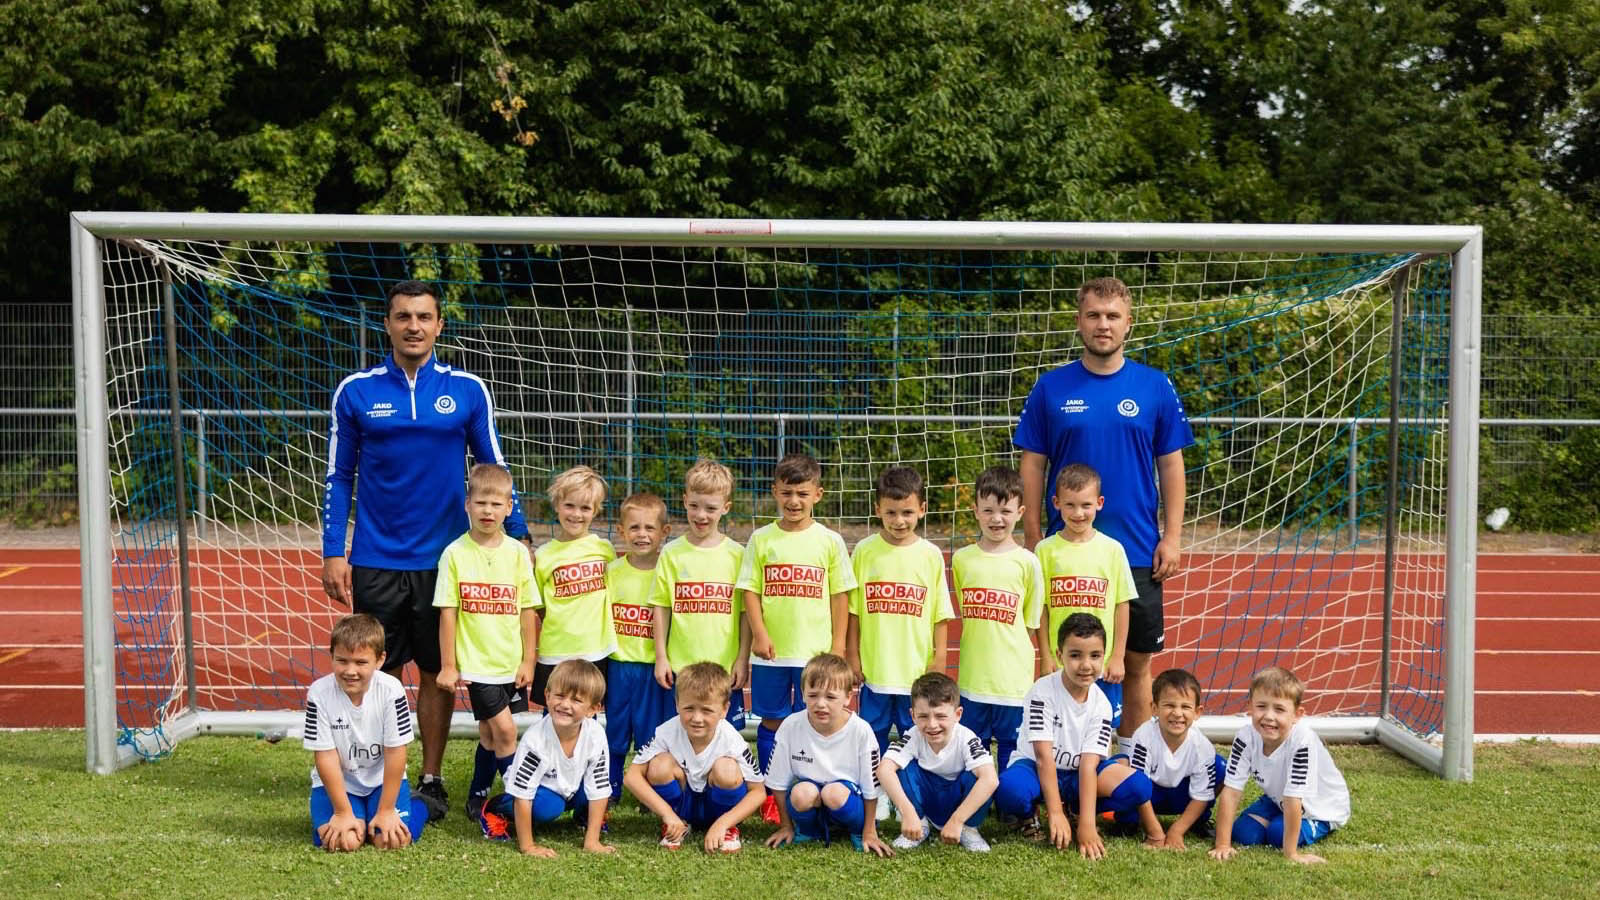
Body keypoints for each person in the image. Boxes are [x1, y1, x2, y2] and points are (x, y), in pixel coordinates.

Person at [321, 279, 532, 820]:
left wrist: (520, 532)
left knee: (439, 672)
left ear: (439, 325)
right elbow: (339, 476)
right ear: (387, 324)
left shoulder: (467, 390)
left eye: (423, 317)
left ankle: (432, 779)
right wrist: (333, 550)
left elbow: (495, 466)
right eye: (402, 316)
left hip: (446, 560)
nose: (413, 326)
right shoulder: (356, 391)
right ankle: (377, 777)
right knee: (379, 671)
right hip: (375, 557)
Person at [1014, 275, 1194, 752]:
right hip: (1066, 554)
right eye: (1093, 314)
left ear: (1128, 323)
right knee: (1060, 663)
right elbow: (1032, 463)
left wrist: (1172, 536)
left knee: (1134, 664)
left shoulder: (1154, 386)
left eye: (1113, 316)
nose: (1103, 324)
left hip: (1136, 550)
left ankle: (1130, 765)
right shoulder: (1051, 388)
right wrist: (1032, 535)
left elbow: (1171, 464)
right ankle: (1061, 762)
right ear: (1079, 321)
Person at [739, 452, 857, 822]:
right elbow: (750, 591)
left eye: (802, 494)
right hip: (772, 654)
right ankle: (771, 795)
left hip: (814, 654)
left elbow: (840, 596)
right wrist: (759, 633)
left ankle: (810, 787)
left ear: (817, 495)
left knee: (814, 721)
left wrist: (838, 646)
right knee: (772, 722)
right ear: (775, 491)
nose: (794, 501)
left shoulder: (830, 541)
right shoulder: (761, 539)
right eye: (787, 493)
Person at [993, 613, 1155, 859]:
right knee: (1009, 789)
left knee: (1139, 787)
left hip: (1078, 775)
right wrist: (1054, 813)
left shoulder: (1101, 704)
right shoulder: (1042, 691)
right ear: (1060, 656)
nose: (1086, 665)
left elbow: (1089, 765)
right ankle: (1030, 815)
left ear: (1104, 655)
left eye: (1095, 656)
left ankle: (1077, 809)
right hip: (1036, 768)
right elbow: (1043, 757)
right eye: (1075, 655)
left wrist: (1087, 825)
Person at [434, 463, 540, 821]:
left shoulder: (517, 554)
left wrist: (528, 661)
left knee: (490, 734)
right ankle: (518, 802)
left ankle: (477, 794)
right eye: (480, 503)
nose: (488, 511)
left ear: (509, 508)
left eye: (496, 504)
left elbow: (527, 611)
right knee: (507, 731)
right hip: (478, 665)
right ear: (467, 504)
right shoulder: (454, 554)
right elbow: (448, 613)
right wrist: (449, 665)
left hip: (510, 662)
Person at [846, 466, 955, 754]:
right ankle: (874, 781)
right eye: (891, 512)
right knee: (872, 737)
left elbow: (940, 613)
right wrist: (853, 655)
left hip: (915, 672)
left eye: (907, 512)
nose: (899, 520)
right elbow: (853, 611)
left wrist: (940, 658)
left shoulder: (930, 555)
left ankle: (913, 781)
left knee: (917, 738)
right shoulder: (864, 551)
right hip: (876, 671)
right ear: (877, 510)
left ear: (922, 509)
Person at [302, 613, 430, 850]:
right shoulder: (319, 693)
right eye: (342, 661)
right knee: (344, 842)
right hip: (341, 784)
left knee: (390, 840)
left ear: (380, 660)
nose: (350, 671)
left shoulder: (391, 690)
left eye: (361, 662)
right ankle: (351, 812)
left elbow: (395, 751)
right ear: (331, 656)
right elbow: (325, 755)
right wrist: (342, 812)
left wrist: (387, 810)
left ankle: (420, 805)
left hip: (381, 782)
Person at [952, 466, 1045, 769]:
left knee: (1010, 749)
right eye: (988, 510)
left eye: (1005, 511)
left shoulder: (1028, 562)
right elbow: (965, 610)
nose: (997, 519)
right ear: (975, 510)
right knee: (973, 749)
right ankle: (977, 794)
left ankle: (1007, 796)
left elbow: (1030, 622)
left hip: (1012, 682)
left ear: (1020, 512)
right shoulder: (962, 560)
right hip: (973, 678)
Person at [1210, 666, 1350, 865]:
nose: (1269, 716)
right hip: (1280, 800)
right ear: (1250, 707)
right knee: (1243, 833)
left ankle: (1319, 824)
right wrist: (1222, 844)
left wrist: (1291, 854)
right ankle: (1275, 816)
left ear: (1297, 714)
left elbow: (1294, 797)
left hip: (1319, 807)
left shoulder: (1302, 741)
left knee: (1278, 834)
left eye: (1279, 709)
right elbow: (1231, 791)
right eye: (1261, 706)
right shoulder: (1246, 737)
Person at [1033, 463, 1136, 729]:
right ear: (1056, 503)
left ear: (1099, 503)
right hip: (1061, 662)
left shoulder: (1112, 550)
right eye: (1070, 505)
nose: (1078, 513)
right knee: (1059, 725)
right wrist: (1046, 656)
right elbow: (1041, 609)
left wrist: (1117, 656)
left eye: (1086, 505)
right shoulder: (1044, 551)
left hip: (1100, 663)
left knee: (1100, 727)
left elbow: (1121, 605)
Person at [624, 661, 766, 853]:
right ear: (677, 704)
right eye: (689, 708)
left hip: (716, 806)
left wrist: (724, 822)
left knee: (727, 768)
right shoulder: (666, 731)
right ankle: (676, 824)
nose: (697, 718)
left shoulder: (732, 739)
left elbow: (758, 792)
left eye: (707, 710)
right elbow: (632, 777)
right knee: (659, 765)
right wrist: (667, 814)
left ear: (724, 710)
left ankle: (727, 830)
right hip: (683, 806)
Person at [479, 659, 615, 857]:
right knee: (550, 806)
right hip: (535, 792)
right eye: (559, 695)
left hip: (569, 787)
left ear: (593, 709)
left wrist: (592, 842)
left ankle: (584, 818)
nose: (565, 704)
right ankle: (495, 808)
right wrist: (528, 847)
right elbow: (523, 794)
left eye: (576, 700)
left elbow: (599, 786)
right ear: (547, 696)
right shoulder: (535, 740)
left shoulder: (596, 735)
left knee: (594, 793)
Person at [650, 459, 749, 728]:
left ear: (726, 508)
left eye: (711, 508)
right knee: (678, 735)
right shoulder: (672, 553)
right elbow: (661, 607)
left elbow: (745, 613)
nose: (701, 515)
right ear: (684, 501)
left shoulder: (738, 555)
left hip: (723, 670)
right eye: (694, 506)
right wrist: (661, 657)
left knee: (726, 738)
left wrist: (742, 658)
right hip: (681, 669)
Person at [762, 653, 890, 855]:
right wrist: (786, 825)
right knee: (801, 793)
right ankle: (808, 831)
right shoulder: (790, 726)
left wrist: (869, 831)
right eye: (813, 695)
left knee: (833, 793)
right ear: (803, 694)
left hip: (846, 797)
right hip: (812, 796)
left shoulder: (861, 731)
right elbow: (777, 783)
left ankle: (857, 830)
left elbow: (871, 787)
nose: (821, 704)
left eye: (830, 697)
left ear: (848, 697)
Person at [877, 671, 998, 853]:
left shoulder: (966, 738)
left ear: (958, 714)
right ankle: (920, 824)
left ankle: (968, 828)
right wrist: (907, 812)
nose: (932, 724)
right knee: (899, 766)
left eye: (941, 716)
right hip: (928, 797)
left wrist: (957, 820)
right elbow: (884, 770)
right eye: (923, 716)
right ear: (912, 715)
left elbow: (990, 779)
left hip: (957, 800)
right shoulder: (913, 735)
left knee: (980, 776)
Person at [604, 492, 674, 794]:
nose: (641, 534)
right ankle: (611, 786)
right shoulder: (612, 571)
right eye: (634, 527)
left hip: (652, 668)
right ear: (621, 531)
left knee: (650, 733)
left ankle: (648, 789)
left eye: (649, 528)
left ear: (664, 532)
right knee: (616, 729)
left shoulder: (667, 570)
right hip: (619, 667)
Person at [530, 466, 615, 703]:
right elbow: (540, 606)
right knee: (554, 711)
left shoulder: (604, 549)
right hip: (556, 650)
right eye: (569, 505)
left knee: (587, 711)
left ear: (595, 511)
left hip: (595, 649)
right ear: (557, 505)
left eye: (585, 508)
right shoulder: (544, 555)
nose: (576, 514)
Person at [1120, 667, 1227, 849]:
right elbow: (1138, 786)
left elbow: (1202, 795)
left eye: (1185, 707)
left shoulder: (1202, 745)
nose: (1177, 713)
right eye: (1169, 705)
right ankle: (1129, 820)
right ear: (1154, 708)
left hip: (1181, 796)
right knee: (1121, 765)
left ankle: (1197, 820)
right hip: (1150, 794)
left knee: (1220, 767)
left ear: (1198, 712)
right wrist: (1155, 832)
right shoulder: (1144, 736)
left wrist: (1176, 831)